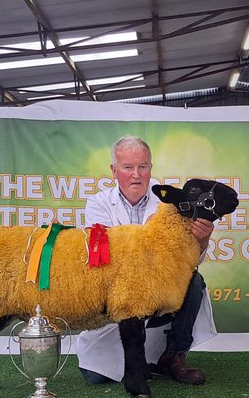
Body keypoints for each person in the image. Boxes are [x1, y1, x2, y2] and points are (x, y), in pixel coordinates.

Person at [75, 136, 217, 384]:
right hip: (118, 298)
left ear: (151, 168)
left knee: (192, 280)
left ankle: (174, 356)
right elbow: (104, 261)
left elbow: (187, 262)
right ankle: (137, 360)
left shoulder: (172, 203)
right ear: (114, 171)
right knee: (96, 377)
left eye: (142, 166)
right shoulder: (97, 205)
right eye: (128, 167)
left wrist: (202, 241)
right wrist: (148, 238)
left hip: (158, 293)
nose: (136, 174)